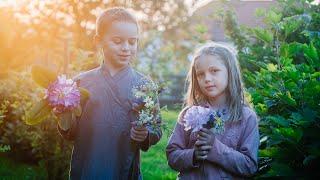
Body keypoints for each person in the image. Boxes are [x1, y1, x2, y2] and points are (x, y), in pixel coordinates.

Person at [56, 7, 162, 179]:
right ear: (98, 41)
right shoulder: (80, 83)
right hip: (87, 167)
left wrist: (146, 134)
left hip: (124, 168)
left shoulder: (144, 85)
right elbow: (71, 133)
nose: (126, 48)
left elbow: (156, 128)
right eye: (118, 41)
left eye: (132, 41)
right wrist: (63, 117)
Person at [166, 42, 259, 179]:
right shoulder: (189, 114)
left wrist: (215, 148)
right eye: (200, 74)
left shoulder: (246, 117)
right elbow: (172, 155)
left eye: (214, 71)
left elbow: (249, 166)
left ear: (230, 71)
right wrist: (193, 155)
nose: (207, 79)